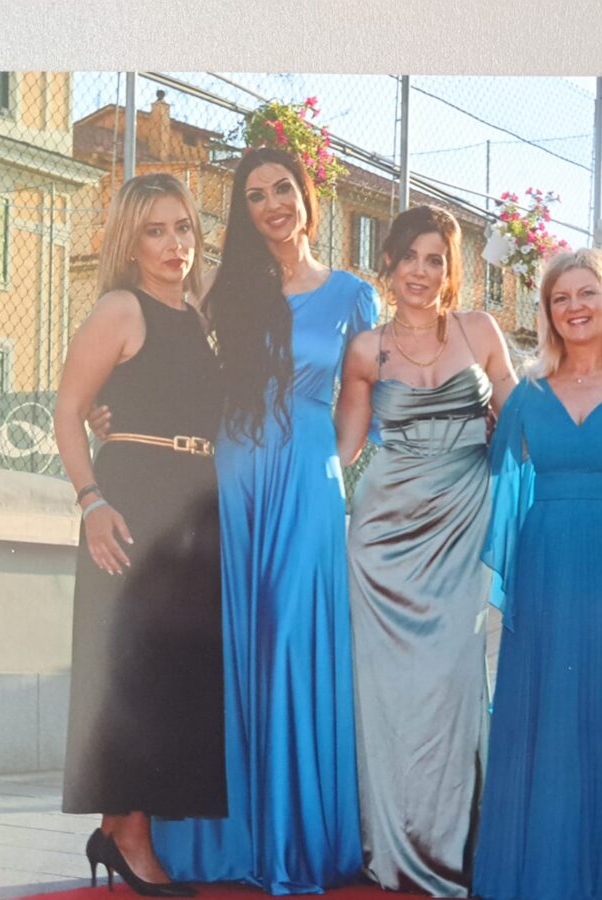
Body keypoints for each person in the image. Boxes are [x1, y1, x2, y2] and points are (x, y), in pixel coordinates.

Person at [136, 148, 377, 892]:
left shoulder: (353, 295)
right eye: (255, 196)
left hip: (307, 480)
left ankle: (292, 844)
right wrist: (117, 410)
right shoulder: (220, 287)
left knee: (292, 642)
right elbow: (170, 363)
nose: (273, 204)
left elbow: (358, 404)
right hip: (232, 474)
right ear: (243, 213)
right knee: (234, 644)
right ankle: (230, 844)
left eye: (282, 189)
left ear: (306, 195)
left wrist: (322, 467)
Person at [471, 248, 602, 900]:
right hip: (546, 569)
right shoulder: (529, 393)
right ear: (548, 311)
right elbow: (495, 484)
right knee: (546, 720)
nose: (575, 307)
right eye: (560, 298)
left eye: (588, 293)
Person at [334, 205, 517, 897]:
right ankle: (390, 841)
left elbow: (523, 419)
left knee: (453, 683)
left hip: (463, 524)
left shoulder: (480, 331)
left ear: (451, 269)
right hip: (381, 537)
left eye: (435, 258)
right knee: (387, 693)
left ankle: (451, 847)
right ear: (388, 262)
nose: (420, 270)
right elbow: (342, 450)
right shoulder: (365, 350)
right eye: (409, 255)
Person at [55, 173, 226, 897]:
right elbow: (68, 410)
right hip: (132, 503)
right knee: (130, 669)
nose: (174, 244)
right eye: (155, 231)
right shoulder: (120, 308)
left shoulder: (198, 316)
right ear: (130, 241)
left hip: (193, 506)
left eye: (183, 227)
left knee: (168, 676)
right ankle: (127, 836)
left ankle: (117, 829)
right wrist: (92, 501)